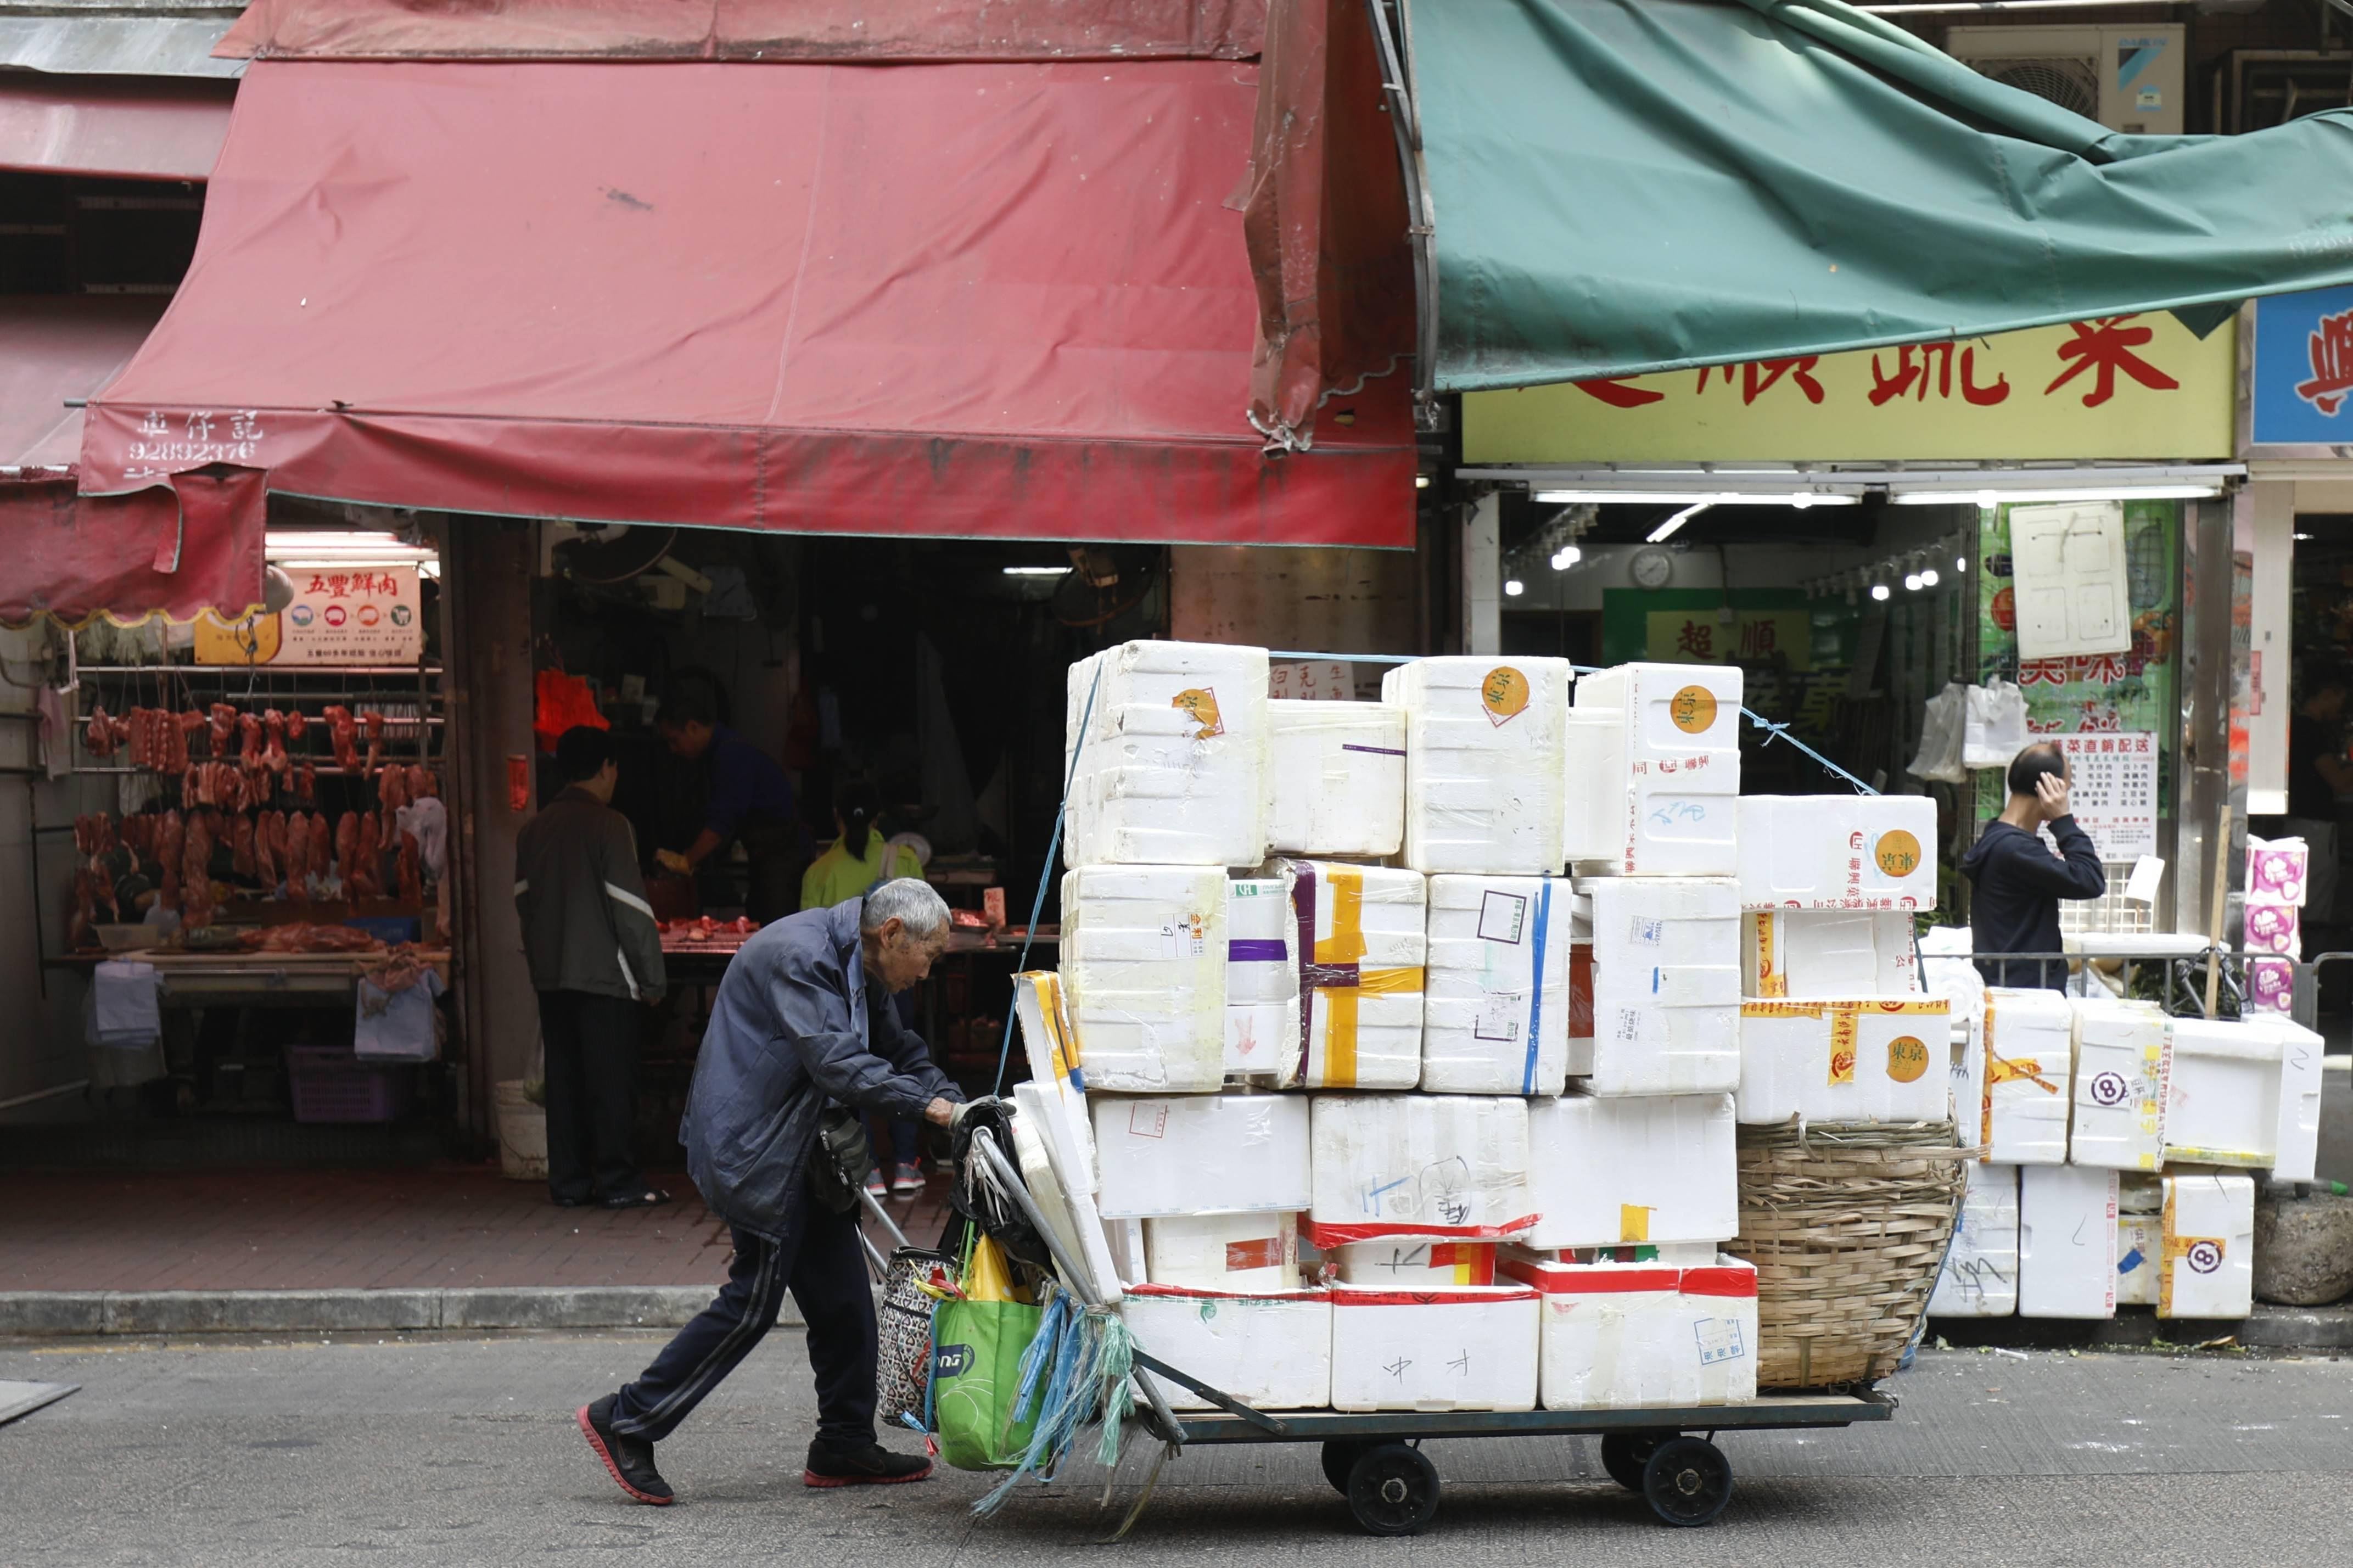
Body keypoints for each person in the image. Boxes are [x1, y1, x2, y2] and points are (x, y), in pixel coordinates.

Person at [576, 878, 966, 1504]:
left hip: (808, 1151)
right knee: (753, 1301)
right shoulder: (803, 956)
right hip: (758, 1149)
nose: (928, 970)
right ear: (892, 933)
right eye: (931, 954)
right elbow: (837, 1063)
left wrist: (958, 1105)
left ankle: (842, 1443)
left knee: (843, 1301)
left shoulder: (864, 963)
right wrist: (932, 1109)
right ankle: (624, 1420)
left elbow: (902, 1051)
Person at [514, 726, 669, 1209]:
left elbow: (525, 904)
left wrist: (542, 963)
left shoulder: (533, 830)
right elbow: (631, 910)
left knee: (564, 1084)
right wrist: (653, 979)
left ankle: (569, 1183)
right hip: (606, 977)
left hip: (553, 977)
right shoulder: (610, 826)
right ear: (606, 768)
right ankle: (620, 1182)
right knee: (610, 1082)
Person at [802, 780, 933, 1197]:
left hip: (837, 986)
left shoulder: (819, 871)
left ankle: (867, 1169)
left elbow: (809, 939)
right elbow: (925, 921)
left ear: (838, 817)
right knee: (899, 1058)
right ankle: (907, 1164)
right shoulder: (905, 859)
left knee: (849, 1064)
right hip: (895, 980)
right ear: (878, 819)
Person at [1960, 741, 2108, 990]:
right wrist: (2063, 821)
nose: (2066, 798)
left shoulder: (1999, 838)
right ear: (2051, 790)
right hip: (2025, 992)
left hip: (2012, 985)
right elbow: (2089, 880)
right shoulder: (2015, 849)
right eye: (2066, 789)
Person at [654, 692, 804, 925]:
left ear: (693, 728)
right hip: (767, 856)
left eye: (674, 740)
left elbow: (719, 825)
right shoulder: (720, 751)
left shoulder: (729, 754)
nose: (673, 749)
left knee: (776, 928)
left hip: (782, 856)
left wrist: (686, 861)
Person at [2282, 667, 2352, 924]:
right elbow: (2339, 781)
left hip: (2302, 823)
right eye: (2341, 700)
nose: (2341, 709)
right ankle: (2311, 961)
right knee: (2314, 901)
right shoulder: (2310, 731)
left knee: (2303, 895)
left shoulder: (2298, 728)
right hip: (2314, 829)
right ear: (2328, 694)